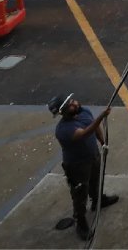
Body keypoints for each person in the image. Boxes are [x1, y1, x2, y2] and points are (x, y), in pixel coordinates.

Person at [48, 94, 118, 240]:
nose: (75, 103)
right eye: (70, 104)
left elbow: (94, 126)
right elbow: (85, 133)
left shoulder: (84, 111)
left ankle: (99, 200)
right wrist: (102, 116)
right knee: (80, 194)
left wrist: (103, 142)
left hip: (93, 156)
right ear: (63, 111)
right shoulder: (63, 130)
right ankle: (81, 223)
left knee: (95, 181)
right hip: (77, 166)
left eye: (72, 100)